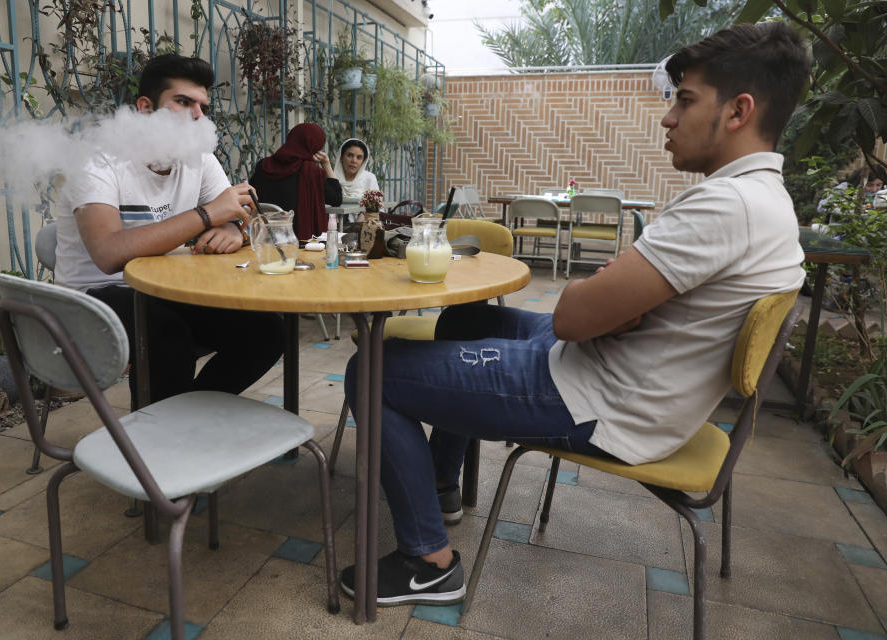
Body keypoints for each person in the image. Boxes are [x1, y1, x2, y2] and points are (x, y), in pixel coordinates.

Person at [341, 21, 810, 606]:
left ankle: (427, 562)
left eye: (685, 101)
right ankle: (440, 482)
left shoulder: (728, 205)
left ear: (739, 110)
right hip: (620, 372)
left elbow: (571, 317)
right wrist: (613, 298)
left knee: (371, 370)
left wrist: (607, 297)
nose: (668, 118)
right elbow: (595, 306)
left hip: (598, 398)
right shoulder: (767, 202)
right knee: (471, 317)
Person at [55, 53, 285, 405]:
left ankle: (185, 418)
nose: (197, 116)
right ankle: (155, 442)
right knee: (165, 334)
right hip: (93, 298)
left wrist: (236, 230)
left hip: (164, 292)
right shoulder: (98, 161)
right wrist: (208, 215)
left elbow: (242, 207)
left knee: (265, 330)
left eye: (203, 107)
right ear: (146, 108)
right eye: (183, 102)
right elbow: (108, 254)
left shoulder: (199, 160)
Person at [249, 123, 342, 241]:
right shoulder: (311, 172)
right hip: (296, 241)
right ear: (314, 147)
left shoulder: (263, 165)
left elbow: (251, 196)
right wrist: (326, 164)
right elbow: (336, 199)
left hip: (263, 236)